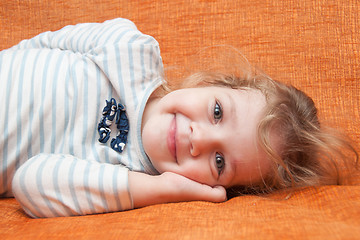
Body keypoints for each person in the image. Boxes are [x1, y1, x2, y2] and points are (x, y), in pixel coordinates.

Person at [0, 18, 358, 218]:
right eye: (216, 112)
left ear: (210, 188)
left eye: (219, 161)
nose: (198, 139)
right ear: (211, 83)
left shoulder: (123, 176)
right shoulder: (132, 49)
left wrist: (157, 189)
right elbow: (49, 43)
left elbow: (29, 183)